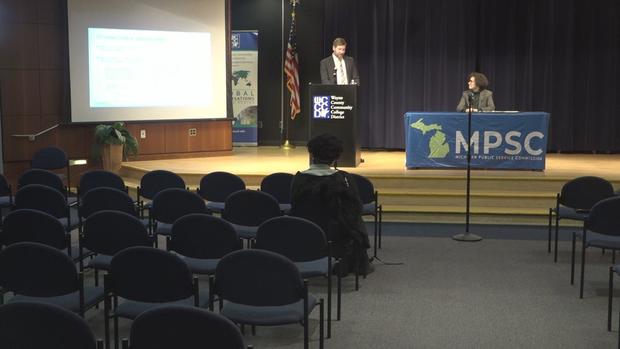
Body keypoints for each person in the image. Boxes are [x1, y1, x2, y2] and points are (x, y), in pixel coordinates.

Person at [290, 133, 371, 276]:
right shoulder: (344, 180)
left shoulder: (299, 179)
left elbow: (295, 205)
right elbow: (355, 210)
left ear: (311, 154)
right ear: (336, 157)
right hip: (337, 236)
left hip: (305, 234)